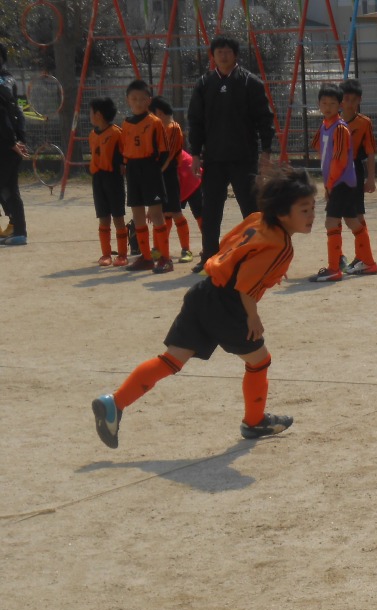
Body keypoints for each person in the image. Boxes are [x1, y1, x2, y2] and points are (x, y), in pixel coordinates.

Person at [91, 166, 317, 449]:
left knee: (172, 359)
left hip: (205, 291)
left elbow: (227, 247)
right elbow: (245, 286)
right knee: (259, 360)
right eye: (304, 210)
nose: (312, 215)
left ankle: (114, 402)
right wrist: (253, 317)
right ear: (283, 213)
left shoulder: (256, 219)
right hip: (230, 305)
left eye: (313, 208)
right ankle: (254, 421)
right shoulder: (280, 246)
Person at [186, 35, 274, 273]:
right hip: (214, 159)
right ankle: (209, 256)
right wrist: (195, 153)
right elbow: (195, 121)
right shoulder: (204, 84)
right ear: (213, 56)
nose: (223, 56)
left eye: (227, 52)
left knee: (251, 210)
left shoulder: (250, 82)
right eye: (219, 52)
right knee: (210, 210)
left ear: (235, 54)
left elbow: (264, 119)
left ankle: (258, 255)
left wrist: (266, 151)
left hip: (243, 157)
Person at [306, 83, 375, 283]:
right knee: (352, 221)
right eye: (324, 103)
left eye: (332, 103)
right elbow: (320, 148)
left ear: (339, 105)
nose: (327, 107)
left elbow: (340, 160)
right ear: (318, 104)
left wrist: (330, 184)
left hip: (341, 181)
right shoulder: (325, 126)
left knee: (332, 222)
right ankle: (367, 261)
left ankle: (334, 268)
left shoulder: (340, 128)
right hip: (339, 181)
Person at [121, 79, 172, 273]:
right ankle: (146, 258)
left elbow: (164, 152)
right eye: (134, 98)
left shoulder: (155, 122)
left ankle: (165, 258)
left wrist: (156, 172)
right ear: (128, 100)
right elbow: (124, 149)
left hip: (150, 168)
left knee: (157, 214)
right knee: (137, 214)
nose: (138, 102)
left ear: (149, 100)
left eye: (142, 99)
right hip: (133, 169)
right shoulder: (126, 123)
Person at [337, 77, 377, 277]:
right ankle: (340, 257)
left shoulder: (364, 123)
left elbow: (370, 152)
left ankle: (364, 258)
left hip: (353, 171)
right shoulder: (332, 122)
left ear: (359, 101)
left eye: (354, 100)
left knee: (357, 215)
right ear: (340, 100)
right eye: (346, 99)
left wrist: (371, 178)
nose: (350, 104)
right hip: (336, 172)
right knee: (334, 215)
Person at [149, 96, 194, 264]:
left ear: (159, 113)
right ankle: (158, 249)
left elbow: (168, 157)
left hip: (168, 175)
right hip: (159, 174)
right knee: (162, 213)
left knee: (175, 212)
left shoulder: (173, 128)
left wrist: (157, 172)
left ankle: (186, 249)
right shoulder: (159, 129)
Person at [88, 97, 128, 266]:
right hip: (98, 179)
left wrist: (124, 165)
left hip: (113, 178)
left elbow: (125, 154)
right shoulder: (92, 135)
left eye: (91, 112)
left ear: (98, 114)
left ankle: (122, 254)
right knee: (103, 217)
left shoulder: (116, 133)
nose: (89, 115)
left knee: (118, 217)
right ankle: (106, 254)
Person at [0, 42, 29, 247]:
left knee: (7, 187)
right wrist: (21, 139)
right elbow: (18, 112)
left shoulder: (5, 82)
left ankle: (18, 230)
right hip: (10, 142)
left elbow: (3, 116)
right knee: (9, 187)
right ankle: (17, 229)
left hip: (5, 144)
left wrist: (14, 141)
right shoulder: (9, 79)